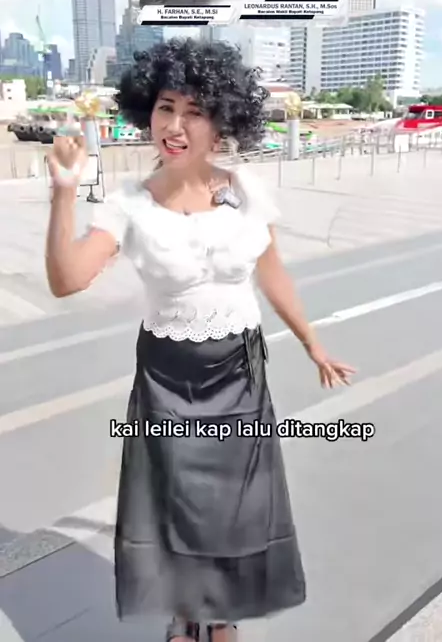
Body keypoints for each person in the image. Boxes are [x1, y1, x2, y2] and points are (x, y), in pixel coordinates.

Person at [44, 38, 355, 642]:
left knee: (233, 507)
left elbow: (273, 273)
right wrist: (63, 192)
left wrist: (312, 343)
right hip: (168, 376)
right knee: (176, 503)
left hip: (239, 373)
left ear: (222, 122)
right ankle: (186, 614)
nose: (175, 126)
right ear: (147, 112)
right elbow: (67, 280)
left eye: (194, 111)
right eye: (165, 107)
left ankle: (221, 613)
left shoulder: (246, 190)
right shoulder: (129, 204)